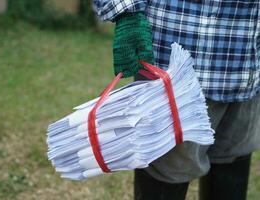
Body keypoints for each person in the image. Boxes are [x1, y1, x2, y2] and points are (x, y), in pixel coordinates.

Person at [93, 0, 260, 200]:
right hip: (174, 66)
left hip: (248, 65)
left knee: (232, 163)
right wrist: (126, 11)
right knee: (166, 172)